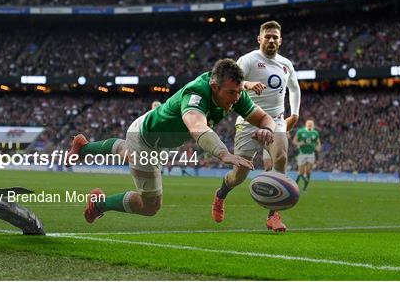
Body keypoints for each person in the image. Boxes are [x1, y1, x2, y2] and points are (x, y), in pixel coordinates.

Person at [66, 59, 276, 223]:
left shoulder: (235, 93)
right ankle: (99, 204)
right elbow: (197, 127)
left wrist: (267, 128)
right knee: (150, 206)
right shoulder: (196, 93)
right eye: (231, 92)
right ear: (214, 86)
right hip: (145, 141)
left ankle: (82, 148)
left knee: (126, 152)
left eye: (239, 92)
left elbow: (265, 118)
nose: (236, 98)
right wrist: (224, 153)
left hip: (153, 133)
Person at [211, 21, 301, 232]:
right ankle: (221, 194)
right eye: (267, 36)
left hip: (277, 121)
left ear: (280, 40)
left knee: (280, 158)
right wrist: (249, 84)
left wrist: (294, 113)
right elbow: (232, 82)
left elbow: (295, 88)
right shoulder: (249, 60)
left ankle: (273, 215)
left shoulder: (286, 64)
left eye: (275, 37)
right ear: (259, 39)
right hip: (250, 120)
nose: (271, 40)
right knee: (239, 175)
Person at [292, 119, 321, 191]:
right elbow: (294, 141)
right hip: (302, 153)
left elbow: (318, 143)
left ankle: (305, 187)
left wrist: (318, 148)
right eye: (309, 124)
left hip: (311, 154)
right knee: (301, 172)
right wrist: (299, 143)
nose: (310, 125)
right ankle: (297, 184)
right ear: (306, 124)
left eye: (311, 124)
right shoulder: (300, 131)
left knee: (308, 171)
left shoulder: (315, 133)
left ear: (313, 125)